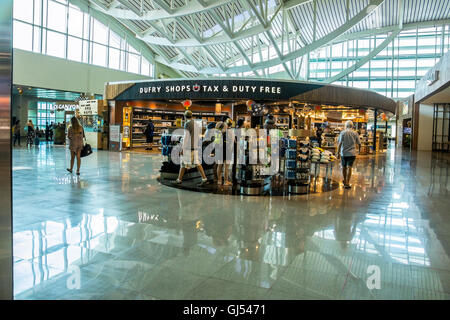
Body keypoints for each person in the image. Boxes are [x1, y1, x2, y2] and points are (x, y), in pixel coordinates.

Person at [175, 110, 208, 185]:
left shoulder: (187, 124)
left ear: (185, 116)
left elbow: (186, 137)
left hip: (189, 148)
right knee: (197, 163)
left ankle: (179, 180)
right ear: (192, 116)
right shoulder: (196, 124)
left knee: (183, 163)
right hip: (195, 147)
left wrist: (183, 149)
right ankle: (204, 178)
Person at [337, 120, 361, 189]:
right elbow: (359, 143)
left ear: (346, 126)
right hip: (352, 153)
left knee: (344, 167)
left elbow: (340, 143)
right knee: (349, 167)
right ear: (352, 126)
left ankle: (345, 180)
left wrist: (338, 153)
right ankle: (347, 182)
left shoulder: (343, 133)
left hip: (343, 153)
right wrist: (359, 151)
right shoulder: (355, 133)